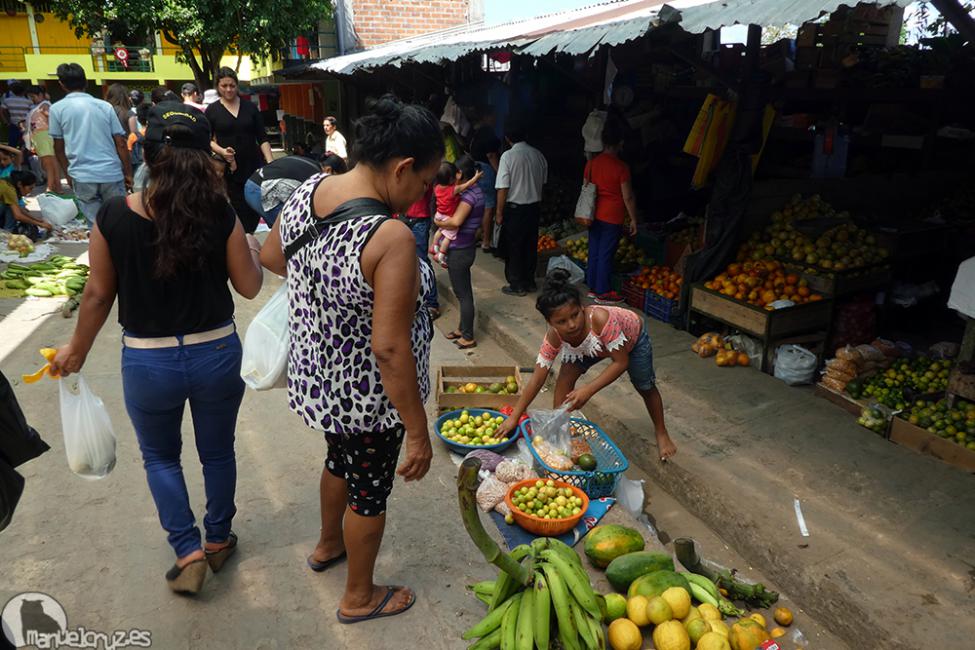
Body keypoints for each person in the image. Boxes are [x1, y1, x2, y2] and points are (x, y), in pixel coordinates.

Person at [49, 102, 264, 595]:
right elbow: (249, 288)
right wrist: (249, 248)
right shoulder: (221, 213)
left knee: (161, 459)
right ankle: (217, 540)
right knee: (217, 453)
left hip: (148, 360)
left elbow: (99, 294)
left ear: (146, 153)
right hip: (216, 354)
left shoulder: (112, 216)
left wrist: (77, 350)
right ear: (203, 156)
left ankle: (187, 551)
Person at [259, 94, 441, 625]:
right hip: (369, 399)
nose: (421, 195)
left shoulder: (313, 187)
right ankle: (358, 595)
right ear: (402, 167)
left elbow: (272, 256)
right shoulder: (390, 236)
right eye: (425, 183)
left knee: (339, 460)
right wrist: (417, 429)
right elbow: (388, 348)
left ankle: (325, 546)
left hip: (322, 383)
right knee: (370, 488)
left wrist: (328, 292)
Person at [497, 269, 677, 460]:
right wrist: (514, 416)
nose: (572, 324)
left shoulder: (599, 319)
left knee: (645, 386)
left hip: (630, 340)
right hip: (585, 347)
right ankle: (560, 433)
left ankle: (661, 431)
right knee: (565, 379)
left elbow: (621, 362)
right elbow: (537, 379)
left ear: (582, 307)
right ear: (550, 323)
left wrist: (588, 390)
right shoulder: (554, 336)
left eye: (575, 315)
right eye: (562, 321)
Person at [49, 64, 133, 226]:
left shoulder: (57, 109)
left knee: (96, 227)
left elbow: (58, 148)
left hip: (82, 175)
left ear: (62, 84)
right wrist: (128, 172)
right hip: (111, 173)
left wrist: (68, 174)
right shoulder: (104, 106)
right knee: (120, 222)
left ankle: (100, 250)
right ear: (86, 82)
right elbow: (121, 143)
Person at [206, 67, 273, 233]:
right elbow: (207, 139)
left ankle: (249, 238)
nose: (229, 89)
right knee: (237, 208)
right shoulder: (212, 110)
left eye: (232, 85)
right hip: (229, 168)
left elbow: (262, 138)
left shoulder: (250, 107)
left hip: (253, 165)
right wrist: (221, 151)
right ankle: (242, 242)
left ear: (237, 85)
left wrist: (271, 163)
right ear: (218, 86)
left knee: (255, 207)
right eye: (224, 86)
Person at [584, 122, 639, 304]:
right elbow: (628, 196)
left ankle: (592, 287)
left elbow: (586, 187)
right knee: (606, 253)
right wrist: (633, 219)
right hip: (612, 216)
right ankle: (602, 291)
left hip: (593, 214)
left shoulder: (592, 163)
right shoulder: (621, 167)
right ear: (620, 143)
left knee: (594, 251)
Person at [438, 155, 485, 350]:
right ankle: (461, 328)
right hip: (465, 246)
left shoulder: (468, 196)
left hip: (460, 249)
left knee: (463, 294)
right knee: (462, 292)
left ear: (460, 175)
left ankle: (468, 336)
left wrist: (438, 223)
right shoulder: (477, 191)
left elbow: (456, 222)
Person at [495, 120, 547, 297]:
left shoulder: (507, 157)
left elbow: (503, 187)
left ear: (507, 138)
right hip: (534, 208)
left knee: (514, 246)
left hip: (515, 209)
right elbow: (543, 183)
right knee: (530, 245)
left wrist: (499, 212)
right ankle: (529, 281)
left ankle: (517, 284)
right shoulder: (538, 155)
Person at [244, 153, 346, 228]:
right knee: (288, 228)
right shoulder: (317, 177)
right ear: (328, 170)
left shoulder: (311, 164)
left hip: (254, 185)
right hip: (258, 189)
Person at [400, 184, 441, 321]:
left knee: (421, 260)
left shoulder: (421, 173)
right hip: (402, 217)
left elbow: (420, 190)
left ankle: (431, 303)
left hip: (419, 219)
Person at [430, 161, 481, 267]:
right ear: (453, 177)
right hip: (447, 216)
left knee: (440, 230)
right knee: (449, 236)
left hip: (439, 214)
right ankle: (441, 254)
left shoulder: (437, 188)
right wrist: (476, 178)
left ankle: (434, 245)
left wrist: (437, 222)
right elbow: (467, 184)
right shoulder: (454, 190)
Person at [469, 106, 500, 251]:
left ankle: (478, 235)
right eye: (493, 116)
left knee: (479, 205)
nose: (495, 119)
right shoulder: (488, 132)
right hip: (486, 170)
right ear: (487, 117)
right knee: (489, 206)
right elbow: (491, 155)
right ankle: (486, 242)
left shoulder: (476, 132)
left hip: (477, 169)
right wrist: (500, 172)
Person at [25, 86, 60, 193]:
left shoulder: (44, 105)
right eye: (30, 97)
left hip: (43, 136)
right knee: (50, 162)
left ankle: (50, 186)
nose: (32, 99)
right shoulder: (43, 105)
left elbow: (51, 117)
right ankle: (55, 186)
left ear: (40, 95)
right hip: (42, 136)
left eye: (33, 96)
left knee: (48, 163)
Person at [1, 170, 53, 239]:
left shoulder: (9, 185)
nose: (30, 192)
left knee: (12, 208)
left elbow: (18, 208)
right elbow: (18, 215)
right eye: (30, 188)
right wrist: (40, 224)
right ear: (20, 184)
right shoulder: (9, 189)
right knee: (11, 210)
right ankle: (7, 233)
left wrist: (37, 220)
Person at [1, 81, 31, 147]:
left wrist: (6, 122)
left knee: (12, 145)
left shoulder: (7, 101)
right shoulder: (29, 101)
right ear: (23, 91)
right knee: (26, 145)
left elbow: (2, 111)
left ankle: (11, 157)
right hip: (26, 125)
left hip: (13, 125)